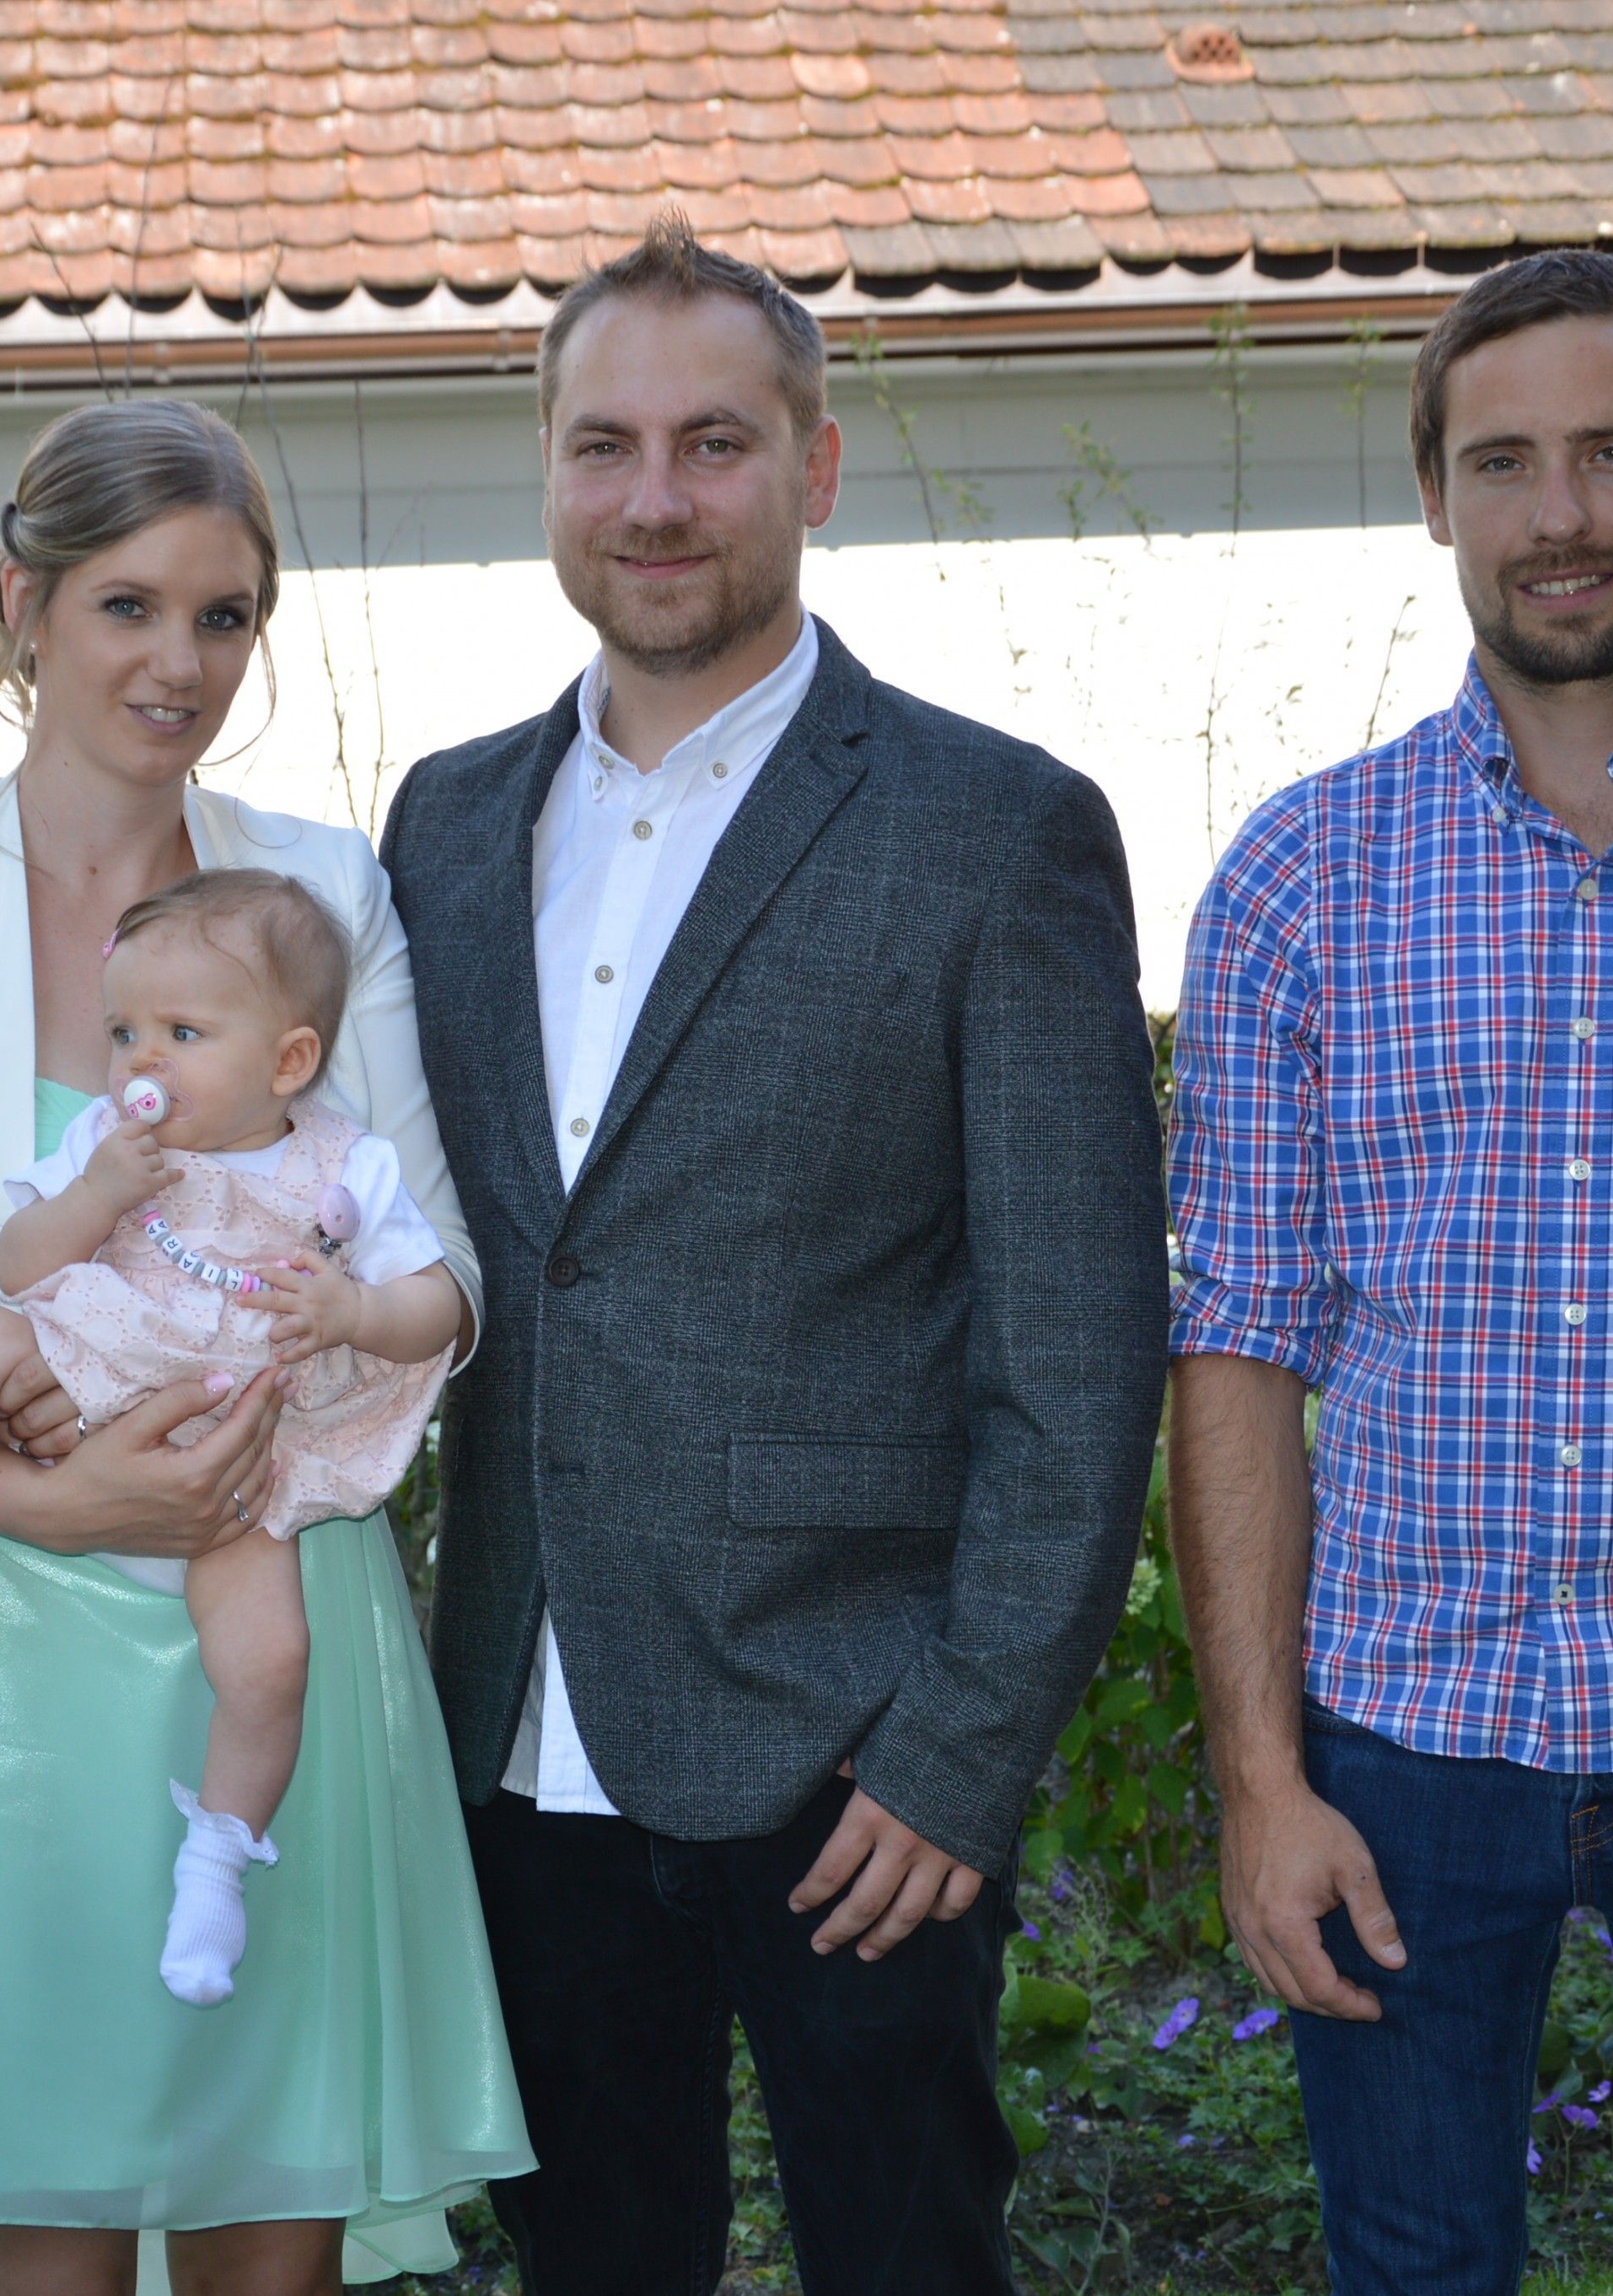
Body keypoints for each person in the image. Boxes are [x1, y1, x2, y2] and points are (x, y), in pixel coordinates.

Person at [381, 214, 1169, 2296]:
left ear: (813, 470)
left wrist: (959, 1754)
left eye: (714, 445)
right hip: (514, 1744)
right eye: (605, 444)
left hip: (853, 1771)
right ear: (545, 467)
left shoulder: (989, 828)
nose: (655, 499)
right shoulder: (441, 833)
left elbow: (1078, 1353)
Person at [0, 398, 532, 2296]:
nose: (178, 665)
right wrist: (41, 1500)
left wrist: (302, 1389)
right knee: (41, 2244)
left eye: (225, 618)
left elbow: (442, 1257)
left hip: (266, 1609)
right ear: (17, 605)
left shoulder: (325, 892)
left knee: (272, 2244)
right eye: (125, 606)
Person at [1172, 250, 1613, 2290]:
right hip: (1410, 1739)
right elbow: (1243, 1344)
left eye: (1612, 453)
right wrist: (1261, 1783)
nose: (1559, 516)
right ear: (1431, 495)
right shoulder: (1298, 874)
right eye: (1503, 461)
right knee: (1413, 2271)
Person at [0, 868, 463, 2008]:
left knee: (271, 1662)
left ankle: (218, 1864)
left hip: (244, 1438)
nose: (141, 1061)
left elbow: (433, 1299)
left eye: (183, 1033)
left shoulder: (348, 1166)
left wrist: (355, 1312)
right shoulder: (108, 1142)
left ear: (288, 1062)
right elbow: (23, 1266)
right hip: (98, 1357)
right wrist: (95, 1195)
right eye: (125, 1032)